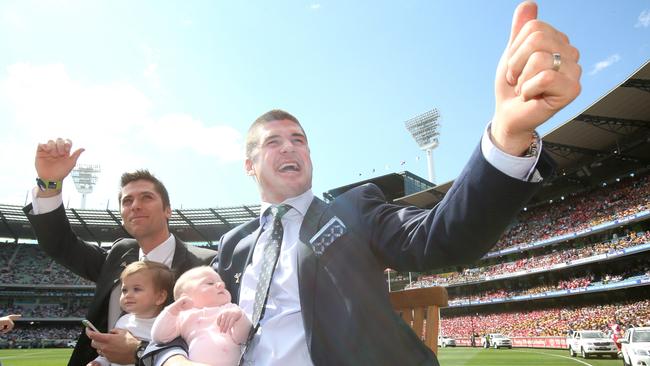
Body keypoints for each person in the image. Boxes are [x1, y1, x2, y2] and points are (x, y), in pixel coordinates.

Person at [147, 1, 581, 365]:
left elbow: (443, 238)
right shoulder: (233, 246)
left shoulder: (353, 210)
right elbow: (185, 320)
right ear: (249, 165)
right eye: (273, 142)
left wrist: (507, 134)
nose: (290, 149)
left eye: (299, 140)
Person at [23, 147, 217, 366]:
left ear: (168, 210)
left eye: (146, 197)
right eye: (127, 201)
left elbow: (215, 339)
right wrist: (50, 184)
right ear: (122, 215)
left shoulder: (206, 265)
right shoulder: (119, 253)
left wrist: (140, 352)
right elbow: (60, 244)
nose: (135, 205)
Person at [151, 266, 250, 366]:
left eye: (223, 286)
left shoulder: (231, 309)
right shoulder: (184, 315)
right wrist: (171, 311)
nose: (220, 285)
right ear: (185, 297)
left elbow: (245, 338)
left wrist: (239, 318)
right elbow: (160, 337)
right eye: (210, 283)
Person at [88, 261, 174, 366]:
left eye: (137, 289)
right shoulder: (123, 321)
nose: (128, 295)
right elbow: (111, 351)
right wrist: (100, 362)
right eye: (124, 290)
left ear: (160, 297)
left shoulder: (168, 326)